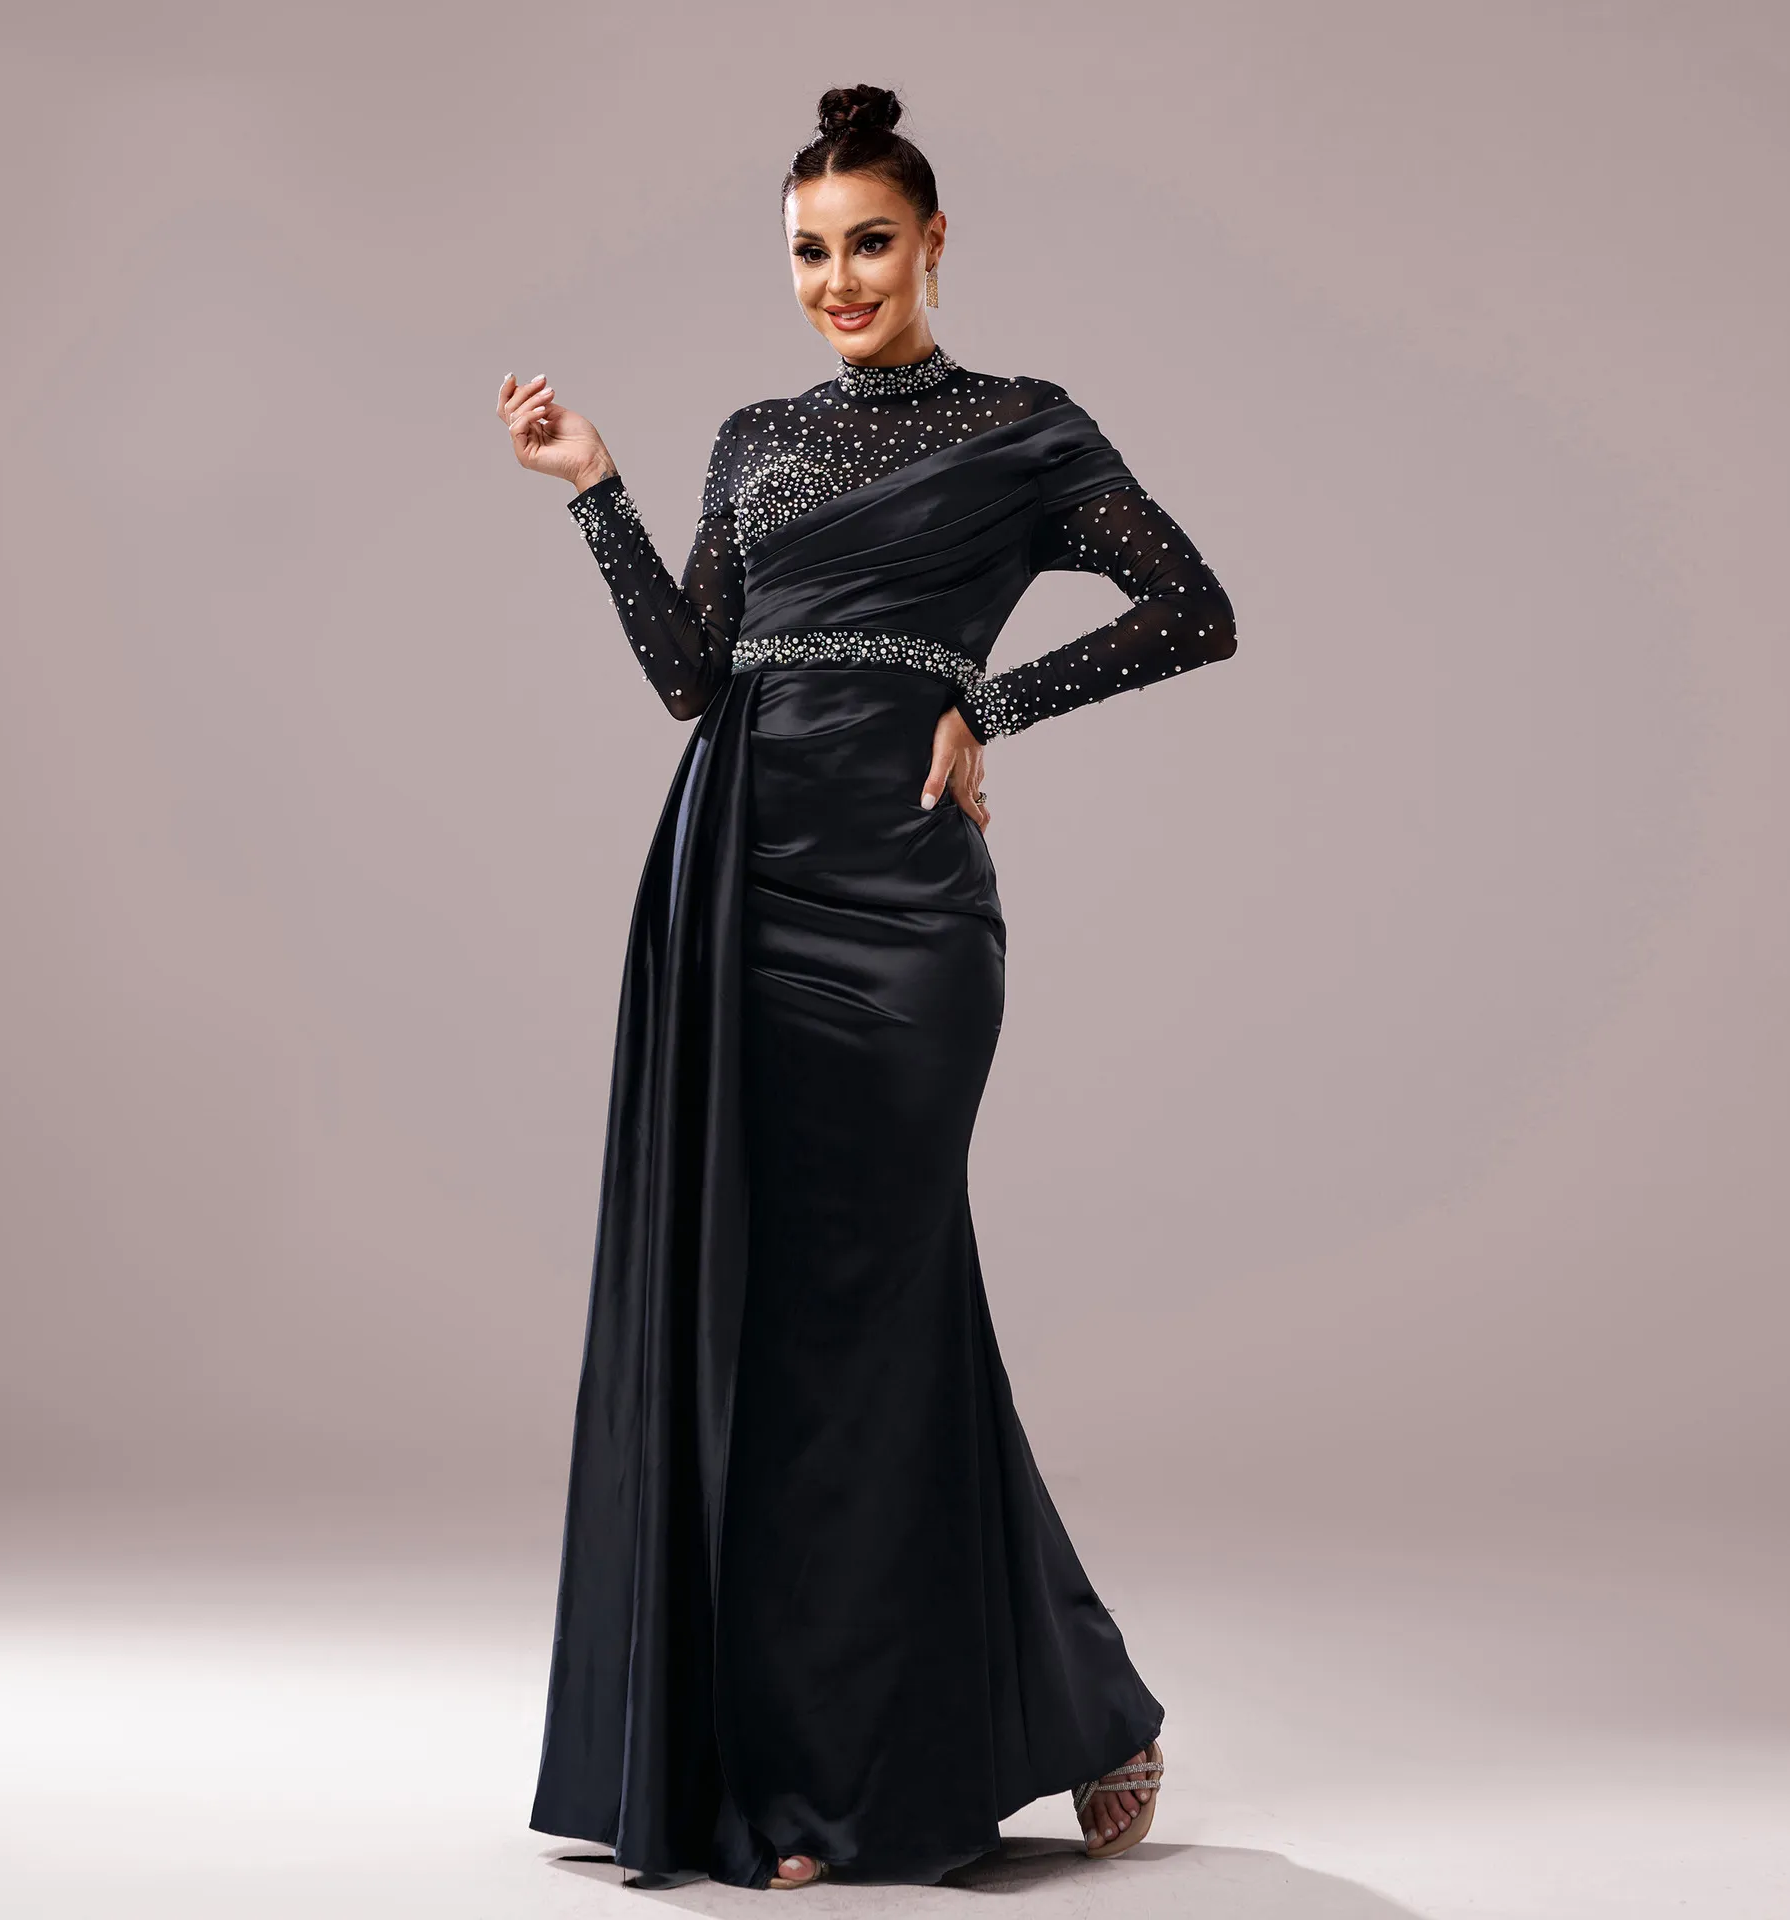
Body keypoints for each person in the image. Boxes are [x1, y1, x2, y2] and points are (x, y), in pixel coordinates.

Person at [499, 83, 1236, 1892]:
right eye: (809, 253)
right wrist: (595, 491)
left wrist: (992, 700)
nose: (839, 280)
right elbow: (697, 676)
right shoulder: (755, 437)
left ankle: (874, 1777)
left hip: (902, 915)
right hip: (735, 883)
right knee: (764, 1317)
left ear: (934, 243)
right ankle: (948, 1737)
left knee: (875, 1310)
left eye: (870, 244)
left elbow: (1193, 607)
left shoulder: (1026, 427)